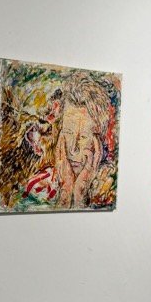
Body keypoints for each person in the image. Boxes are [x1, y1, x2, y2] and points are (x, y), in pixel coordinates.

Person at [24, 72, 116, 209]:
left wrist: (80, 194)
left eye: (84, 136)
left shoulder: (109, 190)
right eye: (67, 132)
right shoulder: (39, 185)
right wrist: (66, 190)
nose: (73, 149)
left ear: (98, 141)